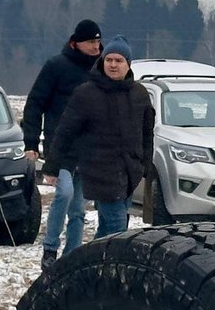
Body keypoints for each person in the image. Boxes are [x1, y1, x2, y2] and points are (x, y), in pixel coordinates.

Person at [49, 36, 155, 247]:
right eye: (109, 60)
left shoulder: (139, 94)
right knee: (117, 229)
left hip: (129, 171)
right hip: (99, 171)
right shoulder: (86, 93)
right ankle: (112, 264)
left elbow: (147, 133)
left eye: (119, 60)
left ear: (128, 64)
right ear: (102, 62)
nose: (113, 65)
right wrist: (52, 166)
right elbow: (65, 131)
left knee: (107, 230)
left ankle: (86, 263)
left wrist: (145, 164)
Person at [25, 18, 102, 268]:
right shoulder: (56, 66)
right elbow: (35, 103)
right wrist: (31, 142)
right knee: (64, 194)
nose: (96, 46)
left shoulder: (101, 69)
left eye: (98, 41)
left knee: (78, 208)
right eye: (90, 42)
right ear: (75, 42)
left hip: (89, 150)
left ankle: (72, 256)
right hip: (61, 147)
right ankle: (50, 248)